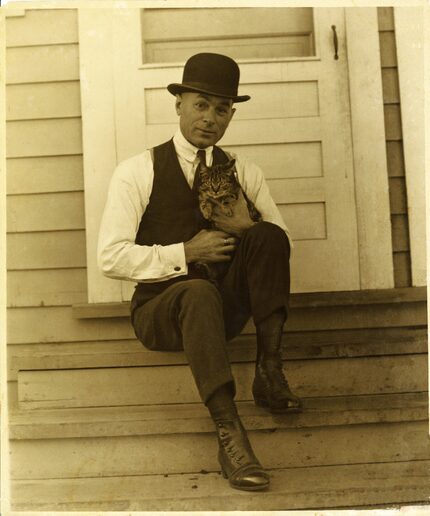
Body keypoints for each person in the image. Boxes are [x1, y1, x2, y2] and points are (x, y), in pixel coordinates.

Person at [98, 52, 302, 492]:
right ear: (179, 105)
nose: (210, 118)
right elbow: (110, 257)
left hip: (224, 309)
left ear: (231, 116)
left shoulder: (244, 170)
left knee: (267, 236)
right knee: (195, 292)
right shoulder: (138, 171)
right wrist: (185, 252)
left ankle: (269, 370)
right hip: (162, 310)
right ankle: (230, 432)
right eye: (200, 105)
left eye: (222, 109)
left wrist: (247, 228)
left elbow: (278, 244)